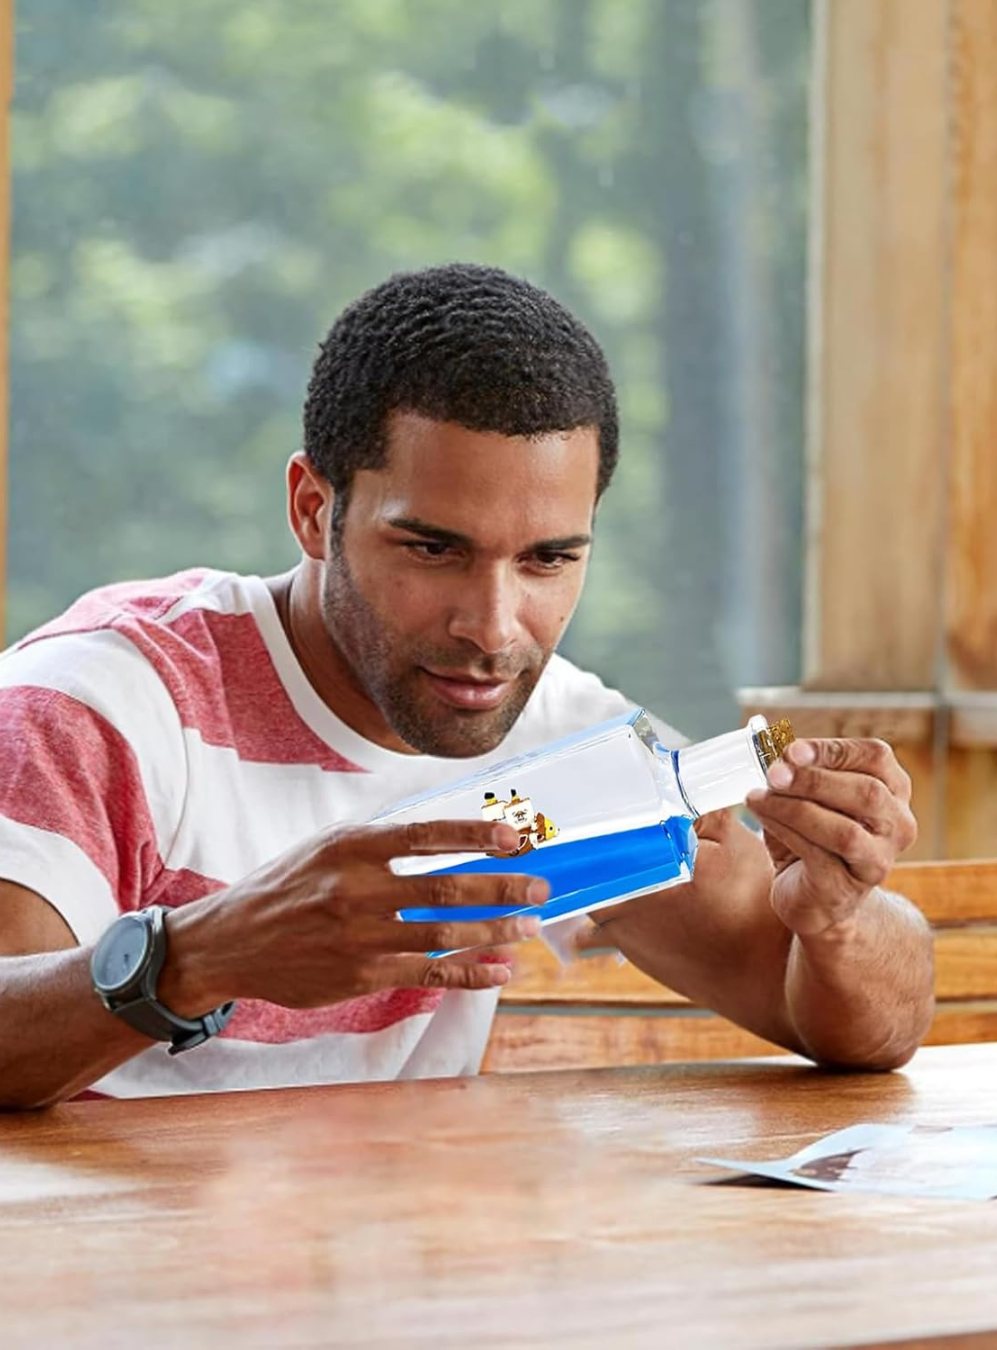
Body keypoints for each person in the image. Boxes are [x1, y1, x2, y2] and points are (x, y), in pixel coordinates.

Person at [0, 263, 932, 1108]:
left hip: (410, 1275)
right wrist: (198, 958)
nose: (492, 628)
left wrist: (838, 919)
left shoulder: (565, 739)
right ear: (314, 511)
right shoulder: (103, 707)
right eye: (434, 550)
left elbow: (863, 1028)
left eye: (547, 560)